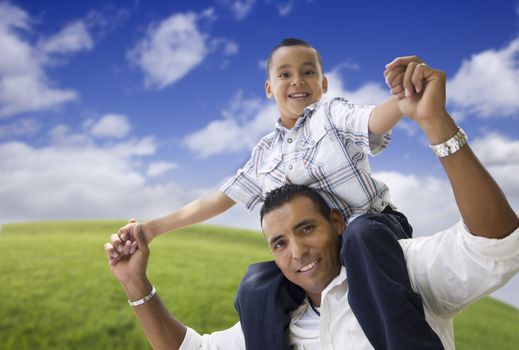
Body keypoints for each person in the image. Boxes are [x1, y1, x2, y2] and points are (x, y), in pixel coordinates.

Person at [105, 58, 519, 349]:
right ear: (269, 88)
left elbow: (495, 245)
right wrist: (138, 274)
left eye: (306, 229)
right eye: (279, 242)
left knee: (364, 236)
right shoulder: (265, 157)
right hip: (331, 254)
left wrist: (428, 116)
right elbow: (216, 200)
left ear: (323, 85)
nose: (296, 250)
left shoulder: (399, 268)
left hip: (375, 233)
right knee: (255, 283)